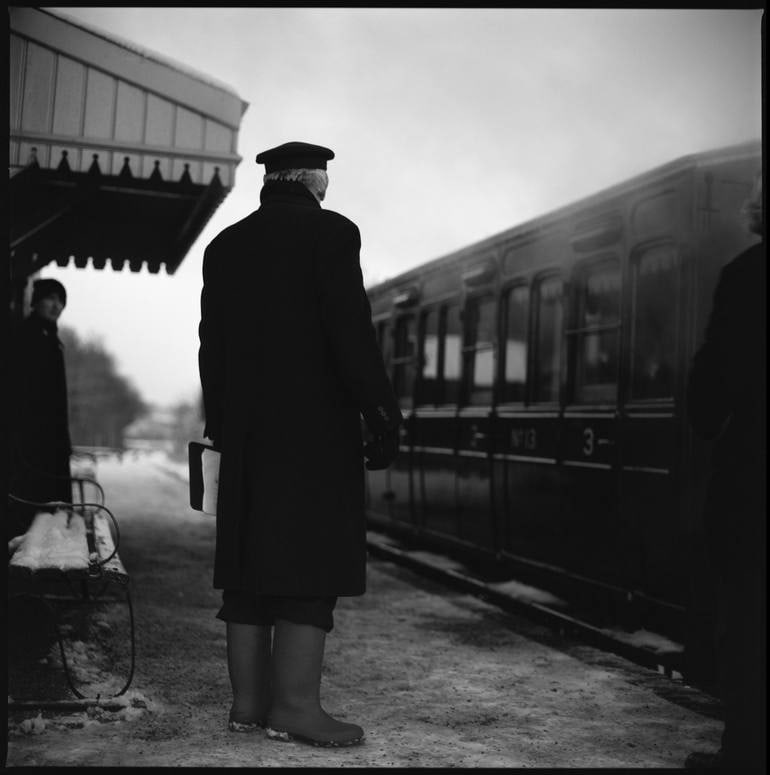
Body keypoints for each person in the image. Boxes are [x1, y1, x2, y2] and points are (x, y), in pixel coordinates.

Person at [198, 140, 402, 747]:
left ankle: (248, 706)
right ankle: (294, 709)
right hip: (314, 437)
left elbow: (211, 344)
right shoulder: (332, 235)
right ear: (314, 183)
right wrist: (381, 411)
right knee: (309, 568)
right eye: (325, 181)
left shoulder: (225, 246)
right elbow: (349, 331)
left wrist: (223, 424)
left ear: (271, 182)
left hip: (246, 435)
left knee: (249, 565)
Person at [685, 173, 765, 770]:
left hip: (755, 482)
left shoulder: (748, 276)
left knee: (749, 619)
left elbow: (710, 402)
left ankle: (745, 750)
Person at [8, 278, 73, 539]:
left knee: (49, 503)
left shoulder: (50, 337)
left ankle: (45, 544)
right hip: (31, 437)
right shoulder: (26, 336)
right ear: (36, 302)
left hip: (51, 437)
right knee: (33, 498)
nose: (56, 305)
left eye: (61, 300)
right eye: (51, 298)